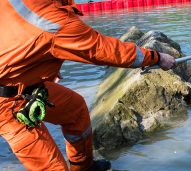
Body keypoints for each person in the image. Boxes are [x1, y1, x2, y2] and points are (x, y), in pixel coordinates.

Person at [0, 0, 176, 170]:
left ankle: (84, 167)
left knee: (75, 109)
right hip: (6, 102)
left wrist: (41, 65)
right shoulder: (55, 23)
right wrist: (157, 58)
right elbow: (104, 50)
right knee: (52, 167)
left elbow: (20, 39)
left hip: (25, 84)